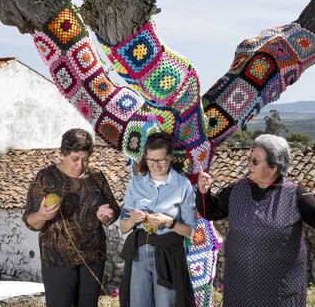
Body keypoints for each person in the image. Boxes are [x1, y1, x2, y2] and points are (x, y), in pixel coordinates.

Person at [196, 134, 315, 307]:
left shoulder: (295, 194)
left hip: (279, 293)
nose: (249, 164)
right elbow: (211, 212)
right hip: (240, 288)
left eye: (255, 161)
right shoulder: (237, 189)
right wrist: (203, 192)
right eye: (250, 159)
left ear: (273, 168)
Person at [23, 128, 120, 307]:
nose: (80, 165)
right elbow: (30, 221)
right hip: (57, 258)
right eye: (75, 159)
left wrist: (107, 215)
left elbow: (113, 209)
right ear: (64, 154)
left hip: (93, 257)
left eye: (85, 159)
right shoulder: (46, 177)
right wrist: (42, 215)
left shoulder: (97, 177)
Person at [119, 132, 197, 307]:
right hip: (139, 254)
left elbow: (190, 231)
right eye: (151, 160)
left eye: (161, 160)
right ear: (145, 158)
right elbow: (123, 227)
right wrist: (133, 220)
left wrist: (169, 222)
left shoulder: (183, 185)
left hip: (168, 255)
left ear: (170, 157)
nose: (156, 165)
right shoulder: (136, 183)